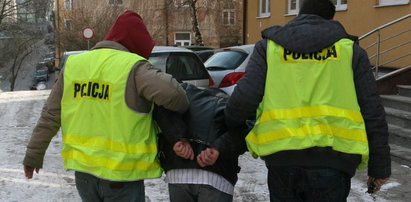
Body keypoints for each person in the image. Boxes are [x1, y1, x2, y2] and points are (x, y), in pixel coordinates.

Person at [224, 0, 391, 201]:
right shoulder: (350, 51)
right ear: (331, 19)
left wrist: (226, 125)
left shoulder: (269, 48)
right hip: (334, 161)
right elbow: (372, 110)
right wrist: (379, 166)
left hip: (282, 159)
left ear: (299, 15)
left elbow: (244, 99)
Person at [22, 10, 189, 202]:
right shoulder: (134, 67)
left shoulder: (75, 65)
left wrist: (33, 155)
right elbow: (177, 97)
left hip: (84, 175)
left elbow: (50, 115)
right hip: (121, 177)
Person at [154, 83, 248, 202]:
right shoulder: (228, 104)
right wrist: (217, 148)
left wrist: (178, 138)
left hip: (178, 174)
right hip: (217, 178)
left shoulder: (180, 93)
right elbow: (244, 131)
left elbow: (161, 108)